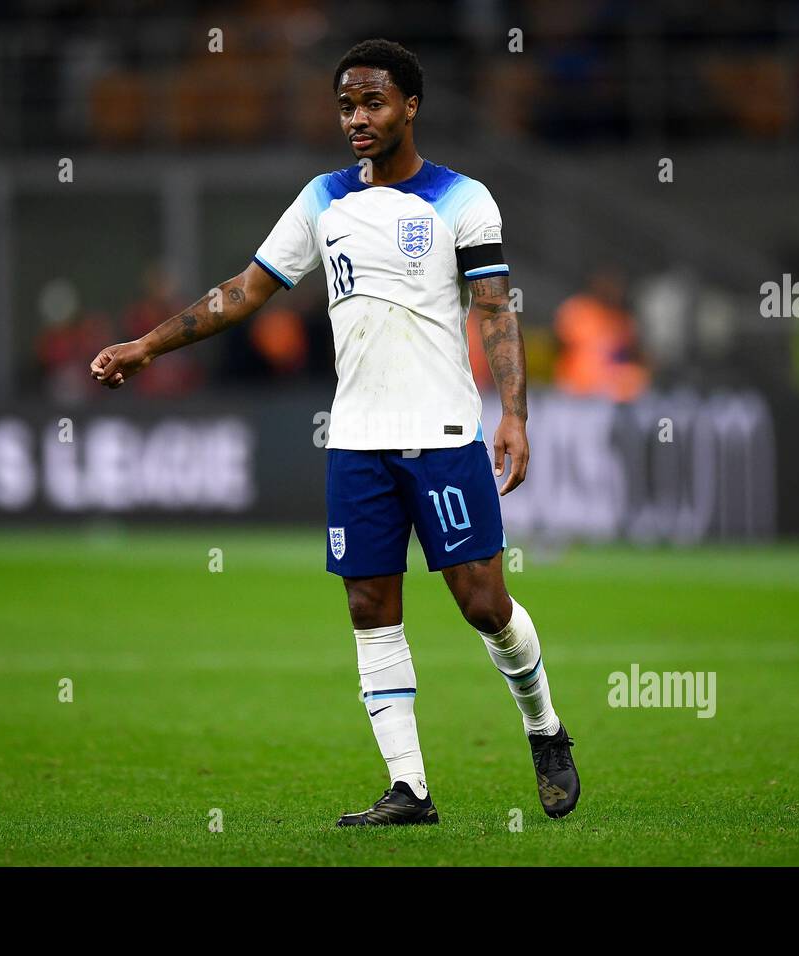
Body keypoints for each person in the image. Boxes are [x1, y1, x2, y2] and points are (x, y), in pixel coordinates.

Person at [89, 39, 579, 826]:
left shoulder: (463, 199)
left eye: (373, 103)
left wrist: (514, 413)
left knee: (483, 603)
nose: (357, 118)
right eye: (347, 105)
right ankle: (409, 787)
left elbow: (493, 310)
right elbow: (244, 292)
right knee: (367, 605)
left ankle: (545, 728)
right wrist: (147, 346)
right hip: (356, 439)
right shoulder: (322, 200)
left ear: (410, 107)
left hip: (444, 433)